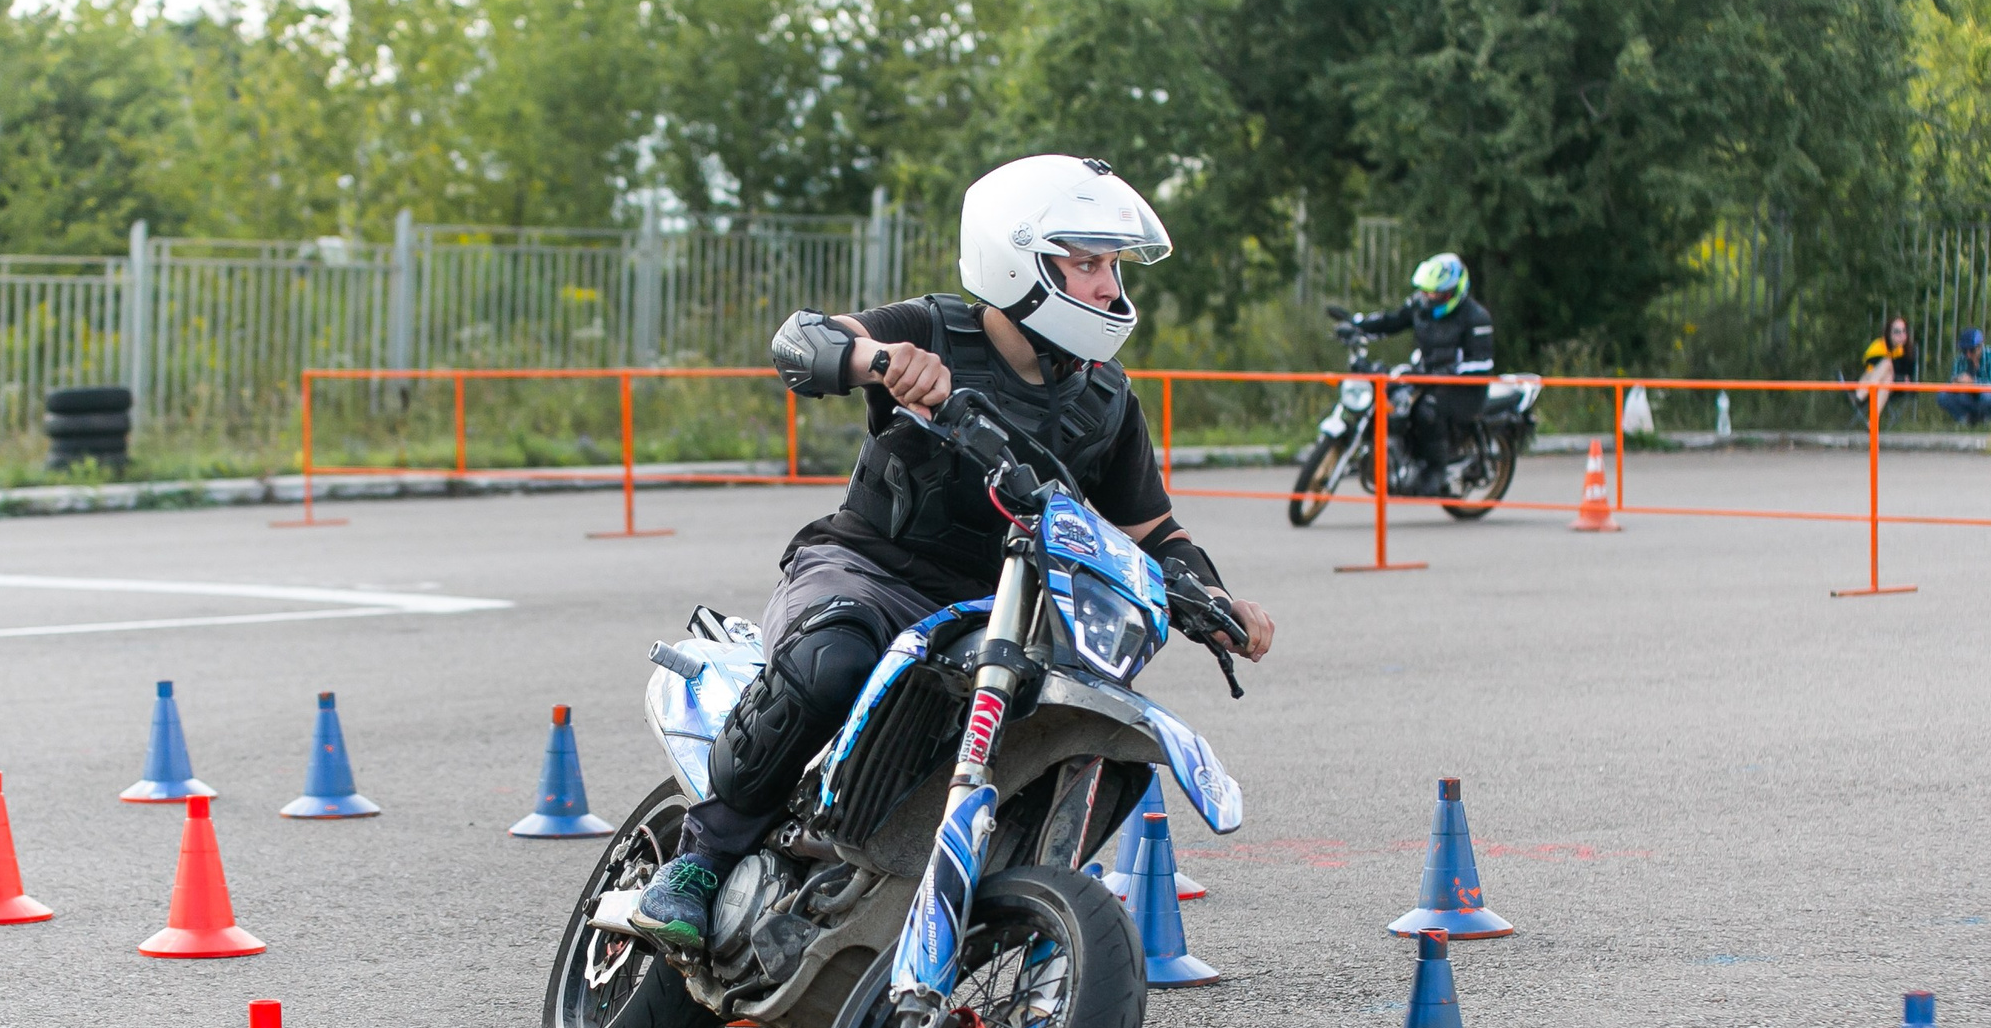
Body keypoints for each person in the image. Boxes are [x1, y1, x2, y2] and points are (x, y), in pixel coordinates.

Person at [629, 154, 1277, 951]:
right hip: (867, 573)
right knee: (833, 657)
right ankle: (702, 856)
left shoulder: (1107, 400)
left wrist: (1217, 601)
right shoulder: (934, 330)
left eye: (1114, 265)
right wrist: (880, 361)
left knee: (1068, 724)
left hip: (997, 614)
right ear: (1018, 260)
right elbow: (801, 341)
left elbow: (1157, 534)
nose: (1111, 286)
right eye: (1088, 264)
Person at [1347, 253, 1495, 487]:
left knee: (1427, 410)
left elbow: (1482, 364)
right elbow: (1392, 321)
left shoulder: (1476, 317)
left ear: (1456, 290)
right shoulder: (1420, 305)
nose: (1430, 297)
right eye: (1427, 291)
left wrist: (1444, 374)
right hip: (1427, 377)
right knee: (1393, 397)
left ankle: (1435, 470)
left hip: (1464, 389)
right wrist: (1357, 325)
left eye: (1437, 293)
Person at [1851, 315, 1916, 421]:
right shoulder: (1878, 347)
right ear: (1889, 333)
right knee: (1887, 366)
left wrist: (1899, 378)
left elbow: (1908, 378)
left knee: (1888, 374)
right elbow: (1868, 369)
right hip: (1868, 383)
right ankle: (1870, 418)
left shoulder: (1907, 352)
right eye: (1897, 332)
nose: (1901, 335)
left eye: (1904, 331)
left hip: (1893, 388)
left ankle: (1860, 400)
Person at [1937, 328, 1991, 425]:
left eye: (1972, 350)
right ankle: (1966, 420)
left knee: (1987, 397)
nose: (1968, 355)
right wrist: (1956, 383)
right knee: (1943, 396)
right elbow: (1952, 383)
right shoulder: (1960, 360)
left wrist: (1973, 382)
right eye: (1964, 350)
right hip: (1968, 398)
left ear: (1980, 347)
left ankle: (1988, 420)